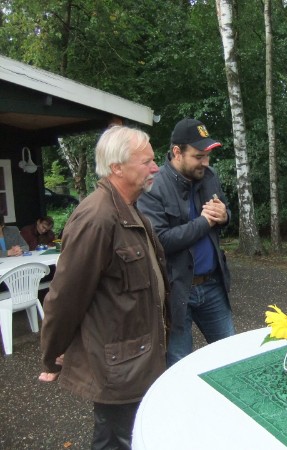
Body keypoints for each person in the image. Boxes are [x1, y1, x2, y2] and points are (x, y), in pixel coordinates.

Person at [38, 126, 169, 450]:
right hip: (119, 369)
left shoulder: (129, 208)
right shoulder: (97, 217)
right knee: (117, 440)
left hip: (138, 359)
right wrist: (52, 355)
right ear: (117, 167)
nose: (155, 168)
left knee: (132, 437)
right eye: (146, 161)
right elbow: (65, 298)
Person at [137, 118, 235, 367]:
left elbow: (225, 212)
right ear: (177, 152)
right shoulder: (154, 186)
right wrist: (205, 222)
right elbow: (159, 241)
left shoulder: (209, 177)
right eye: (199, 156)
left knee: (231, 356)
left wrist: (224, 216)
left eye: (208, 156)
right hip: (176, 290)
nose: (206, 162)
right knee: (178, 364)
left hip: (212, 285)